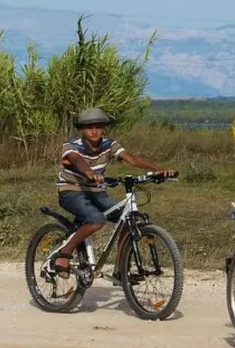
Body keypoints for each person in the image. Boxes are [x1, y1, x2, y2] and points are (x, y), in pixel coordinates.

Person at [52, 107, 177, 272]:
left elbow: (132, 159)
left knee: (129, 219)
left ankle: (120, 268)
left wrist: (158, 169)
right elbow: (76, 160)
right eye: (89, 127)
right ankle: (65, 253)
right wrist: (89, 173)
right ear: (82, 129)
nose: (94, 131)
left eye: (98, 127)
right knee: (96, 220)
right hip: (71, 190)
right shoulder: (72, 145)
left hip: (96, 191)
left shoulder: (109, 144)